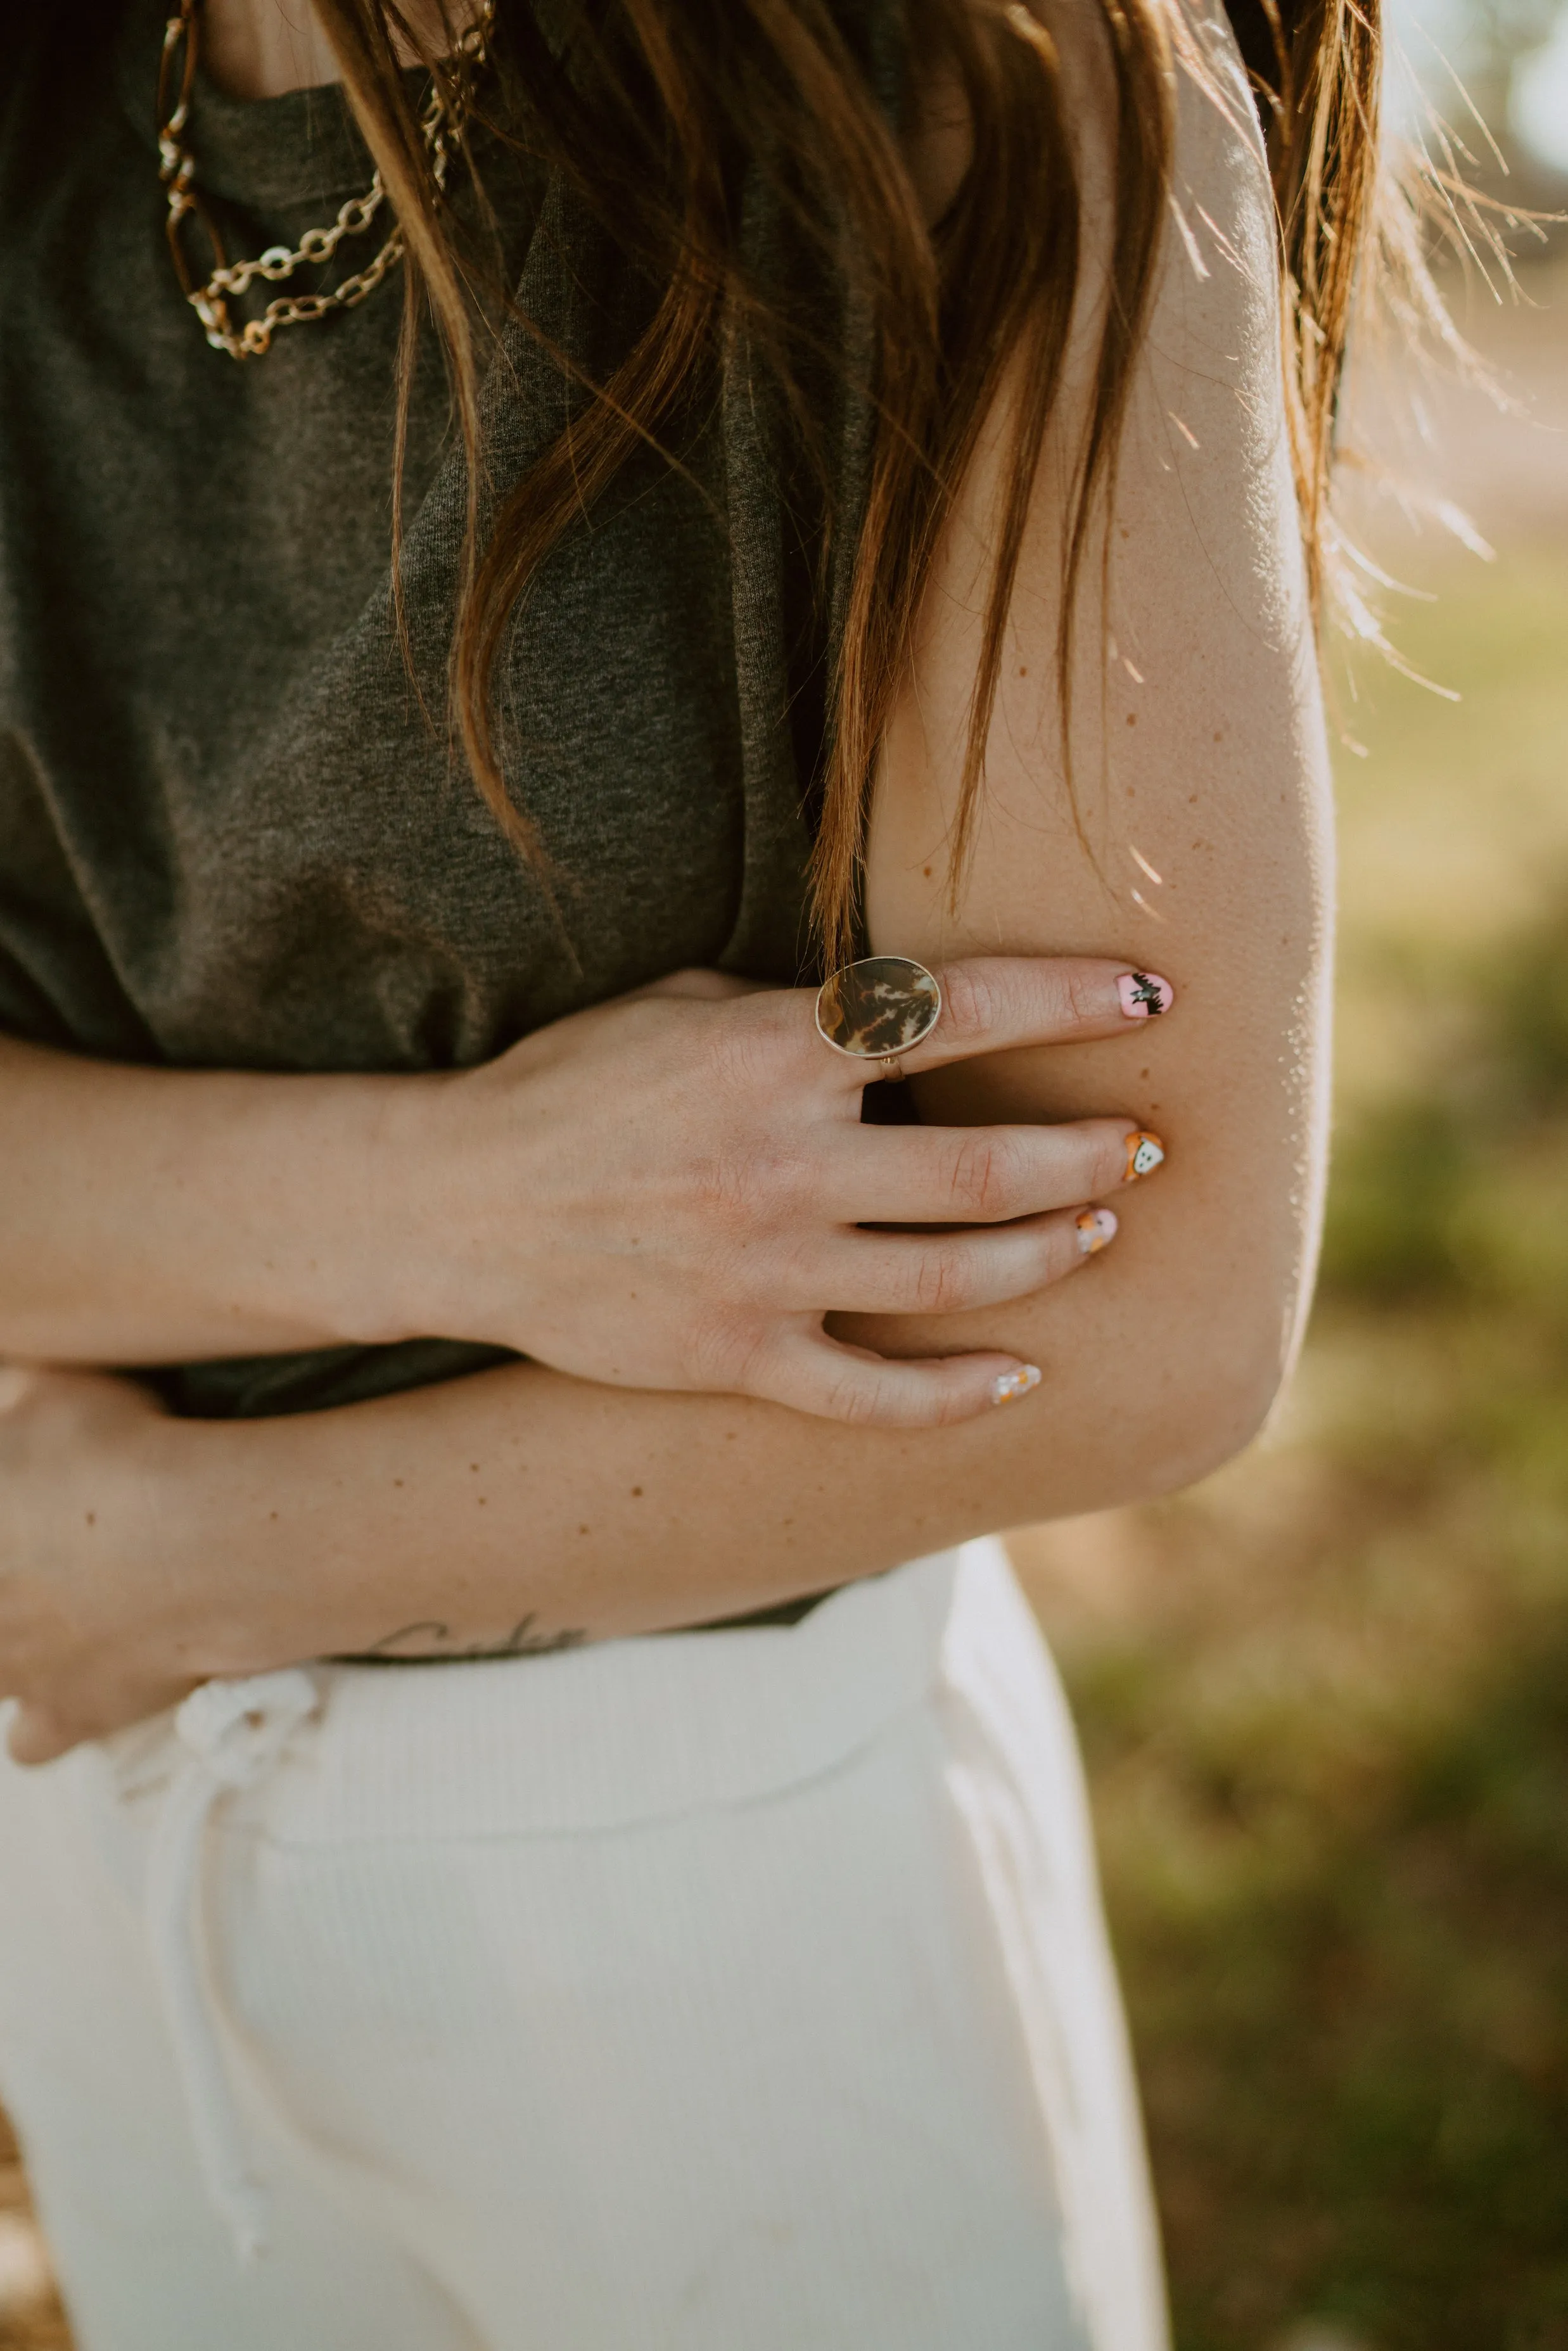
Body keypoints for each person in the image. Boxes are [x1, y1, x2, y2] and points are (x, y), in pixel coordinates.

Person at [0, 0, 1363, 2340]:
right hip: (91, 1835)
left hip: (701, 1863)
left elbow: (1143, 1323)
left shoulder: (985, 86)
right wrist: (466, 1199)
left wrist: (176, 1555)